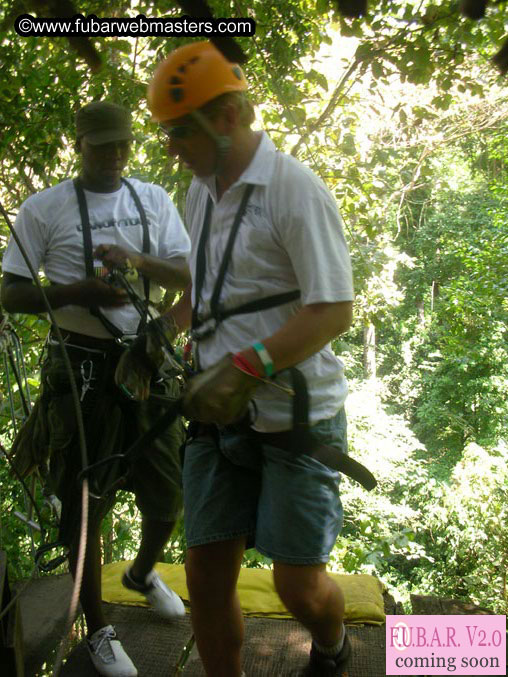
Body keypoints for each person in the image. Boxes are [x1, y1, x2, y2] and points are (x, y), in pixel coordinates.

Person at [118, 42, 355, 677]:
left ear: (225, 117)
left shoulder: (293, 190)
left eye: (180, 131)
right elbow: (207, 290)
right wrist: (163, 331)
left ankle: (333, 649)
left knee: (296, 586)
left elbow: (333, 309)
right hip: (217, 420)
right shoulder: (202, 190)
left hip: (292, 420)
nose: (171, 148)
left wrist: (247, 367)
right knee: (206, 574)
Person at [1, 101, 192, 677]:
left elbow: (188, 275)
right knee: (84, 504)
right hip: (78, 365)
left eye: (121, 146)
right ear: (78, 144)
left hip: (147, 357)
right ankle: (99, 628)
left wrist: (137, 264)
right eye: (100, 146)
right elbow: (10, 292)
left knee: (169, 492)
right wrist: (73, 292)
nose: (113, 156)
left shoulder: (152, 200)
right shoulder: (45, 209)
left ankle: (141, 572)